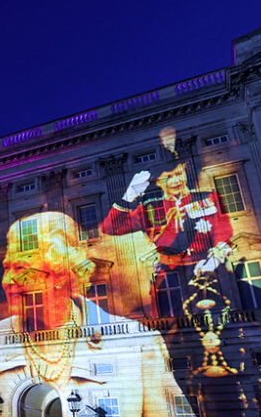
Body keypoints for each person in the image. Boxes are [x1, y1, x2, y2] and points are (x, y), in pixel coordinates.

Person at [0, 212, 200, 417]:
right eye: (7, 267)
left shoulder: (140, 342)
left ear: (65, 273)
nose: (8, 280)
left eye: (22, 269)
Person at [100, 127, 233, 306]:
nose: (176, 181)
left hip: (207, 272)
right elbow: (111, 228)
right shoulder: (150, 207)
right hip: (170, 275)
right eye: (169, 177)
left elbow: (225, 234)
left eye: (179, 174)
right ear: (160, 182)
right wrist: (128, 196)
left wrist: (212, 263)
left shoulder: (207, 198)